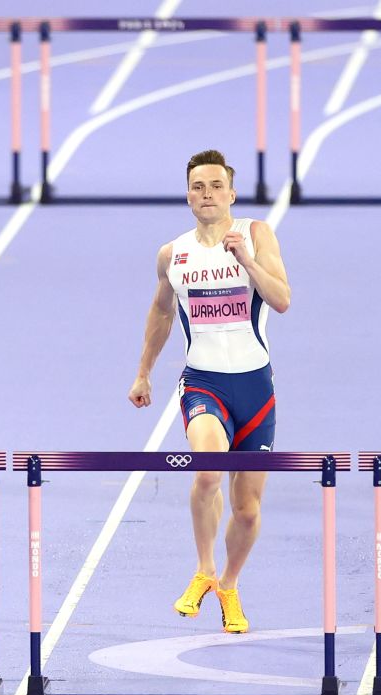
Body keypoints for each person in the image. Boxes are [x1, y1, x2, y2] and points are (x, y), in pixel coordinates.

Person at [127, 150, 290, 633]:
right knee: (206, 472)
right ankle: (204, 569)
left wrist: (246, 260)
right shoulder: (172, 254)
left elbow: (281, 299)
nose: (207, 194)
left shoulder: (257, 235)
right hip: (204, 383)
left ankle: (230, 585)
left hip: (256, 387)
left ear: (231, 194)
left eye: (216, 186)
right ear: (188, 195)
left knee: (247, 509)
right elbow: (160, 313)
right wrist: (144, 373)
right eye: (198, 186)